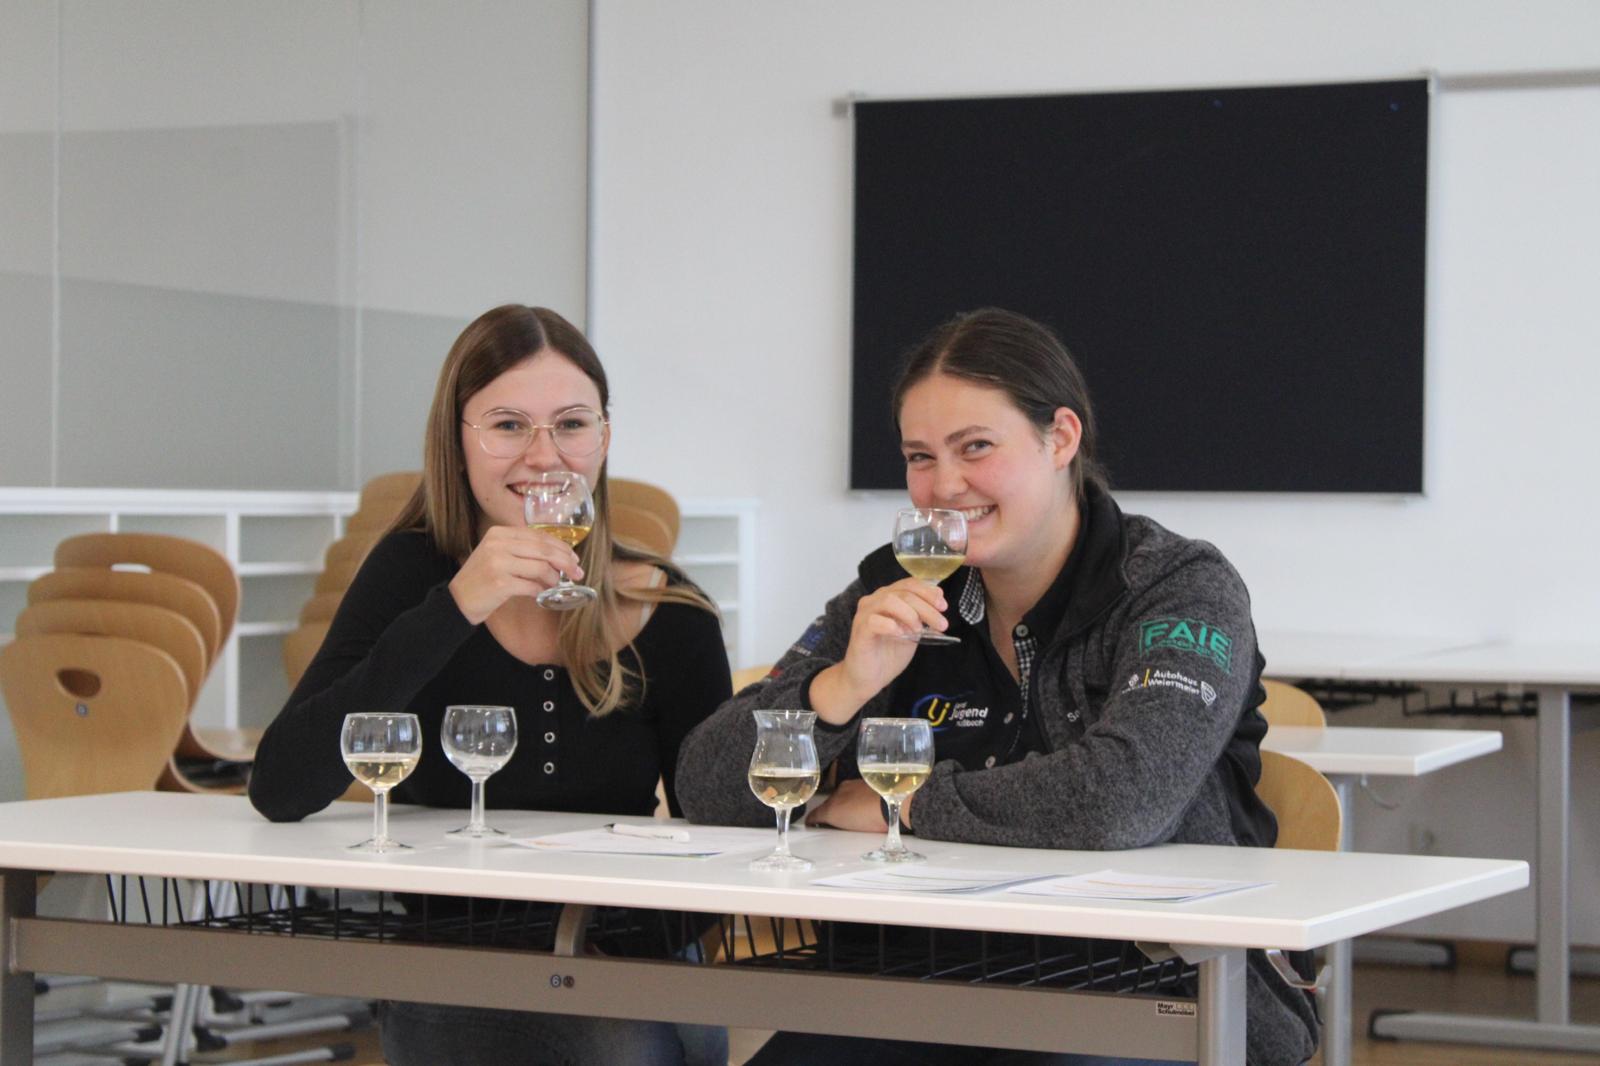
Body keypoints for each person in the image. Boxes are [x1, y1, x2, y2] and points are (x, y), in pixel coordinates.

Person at [675, 308, 1318, 1066]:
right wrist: (840, 689)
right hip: (913, 986)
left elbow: (1120, 798)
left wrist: (903, 804)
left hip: (1151, 992)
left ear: (1061, 439)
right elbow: (704, 787)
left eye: (976, 446)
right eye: (920, 456)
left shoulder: (1175, 586)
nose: (944, 486)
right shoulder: (893, 586)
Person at [248, 304, 732, 1066]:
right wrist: (456, 608)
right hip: (456, 957)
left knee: (637, 1043)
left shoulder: (669, 610)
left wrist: (609, 956)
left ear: (604, 438)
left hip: (626, 957)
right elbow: (282, 786)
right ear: (458, 441)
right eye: (508, 426)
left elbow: (723, 836)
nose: (544, 457)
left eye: (571, 425)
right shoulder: (410, 575)